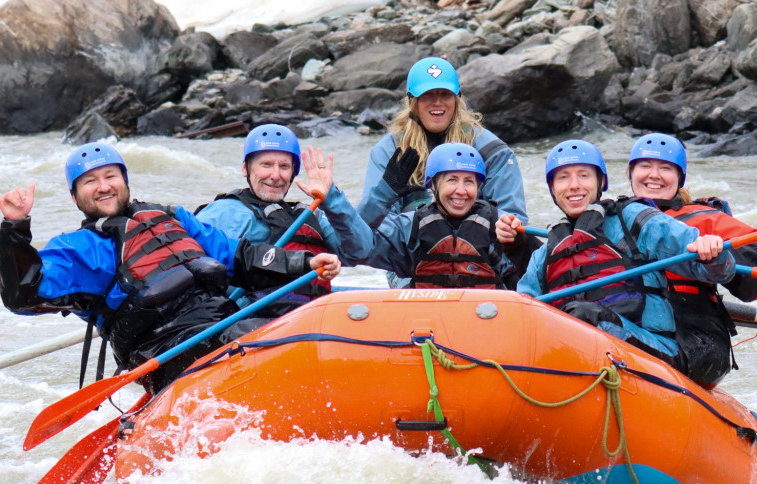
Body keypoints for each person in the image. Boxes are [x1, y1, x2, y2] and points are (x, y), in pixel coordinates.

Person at [0, 142, 341, 394]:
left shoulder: (172, 217)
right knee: (267, 340)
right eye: (90, 182)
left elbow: (238, 256)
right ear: (74, 196)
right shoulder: (78, 250)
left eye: (110, 176)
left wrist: (305, 263)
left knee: (298, 328)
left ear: (124, 180)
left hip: (223, 322)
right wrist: (15, 229)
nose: (103, 187)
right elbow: (23, 293)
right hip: (165, 349)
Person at [497, 139, 735, 373]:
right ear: (552, 189)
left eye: (584, 175)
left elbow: (719, 271)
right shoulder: (546, 252)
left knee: (583, 315)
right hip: (580, 354)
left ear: (601, 182)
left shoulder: (632, 218)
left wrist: (712, 253)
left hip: (654, 351)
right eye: (563, 178)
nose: (574, 185)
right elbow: (524, 312)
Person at [356, 56, 538, 284]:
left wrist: (506, 228)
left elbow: (513, 218)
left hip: (480, 256)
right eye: (427, 96)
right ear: (412, 101)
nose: (437, 103)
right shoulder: (388, 151)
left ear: (457, 99)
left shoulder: (492, 151)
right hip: (412, 259)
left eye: (445, 95)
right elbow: (370, 230)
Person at [627, 132, 757, 386]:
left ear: (679, 178)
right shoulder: (614, 219)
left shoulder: (703, 219)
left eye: (665, 168)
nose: (654, 175)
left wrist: (718, 254)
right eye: (645, 166)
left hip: (692, 336)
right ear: (631, 174)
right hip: (637, 325)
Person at [196, 123, 372, 313]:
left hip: (313, 315)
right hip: (251, 319)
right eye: (266, 165)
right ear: (246, 169)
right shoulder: (225, 212)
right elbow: (191, 263)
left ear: (293, 172)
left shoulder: (308, 215)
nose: (275, 175)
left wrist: (330, 197)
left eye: (284, 166)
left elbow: (360, 250)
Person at [364, 142, 520, 289]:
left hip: (486, 307)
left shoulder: (500, 223)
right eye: (452, 180)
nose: (461, 191)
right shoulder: (410, 227)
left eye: (469, 181)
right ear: (433, 185)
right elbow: (356, 243)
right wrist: (383, 193)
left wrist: (518, 243)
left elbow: (530, 270)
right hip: (427, 307)